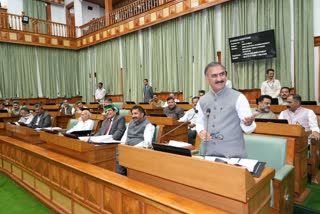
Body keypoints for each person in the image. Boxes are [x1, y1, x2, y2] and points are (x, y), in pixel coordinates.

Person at [196, 62, 256, 158]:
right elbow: (199, 122)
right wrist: (201, 131)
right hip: (209, 155)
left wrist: (248, 124)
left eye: (222, 74)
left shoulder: (239, 97)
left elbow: (248, 129)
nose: (219, 79)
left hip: (233, 157)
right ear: (207, 79)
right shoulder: (202, 101)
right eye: (214, 76)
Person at [119, 105, 155, 175]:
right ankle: (121, 176)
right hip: (127, 148)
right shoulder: (130, 122)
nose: (133, 116)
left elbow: (147, 143)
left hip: (137, 149)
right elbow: (125, 136)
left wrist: (131, 149)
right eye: (132, 114)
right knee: (119, 152)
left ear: (142, 114)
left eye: (136, 113)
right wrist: (122, 146)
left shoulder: (148, 125)